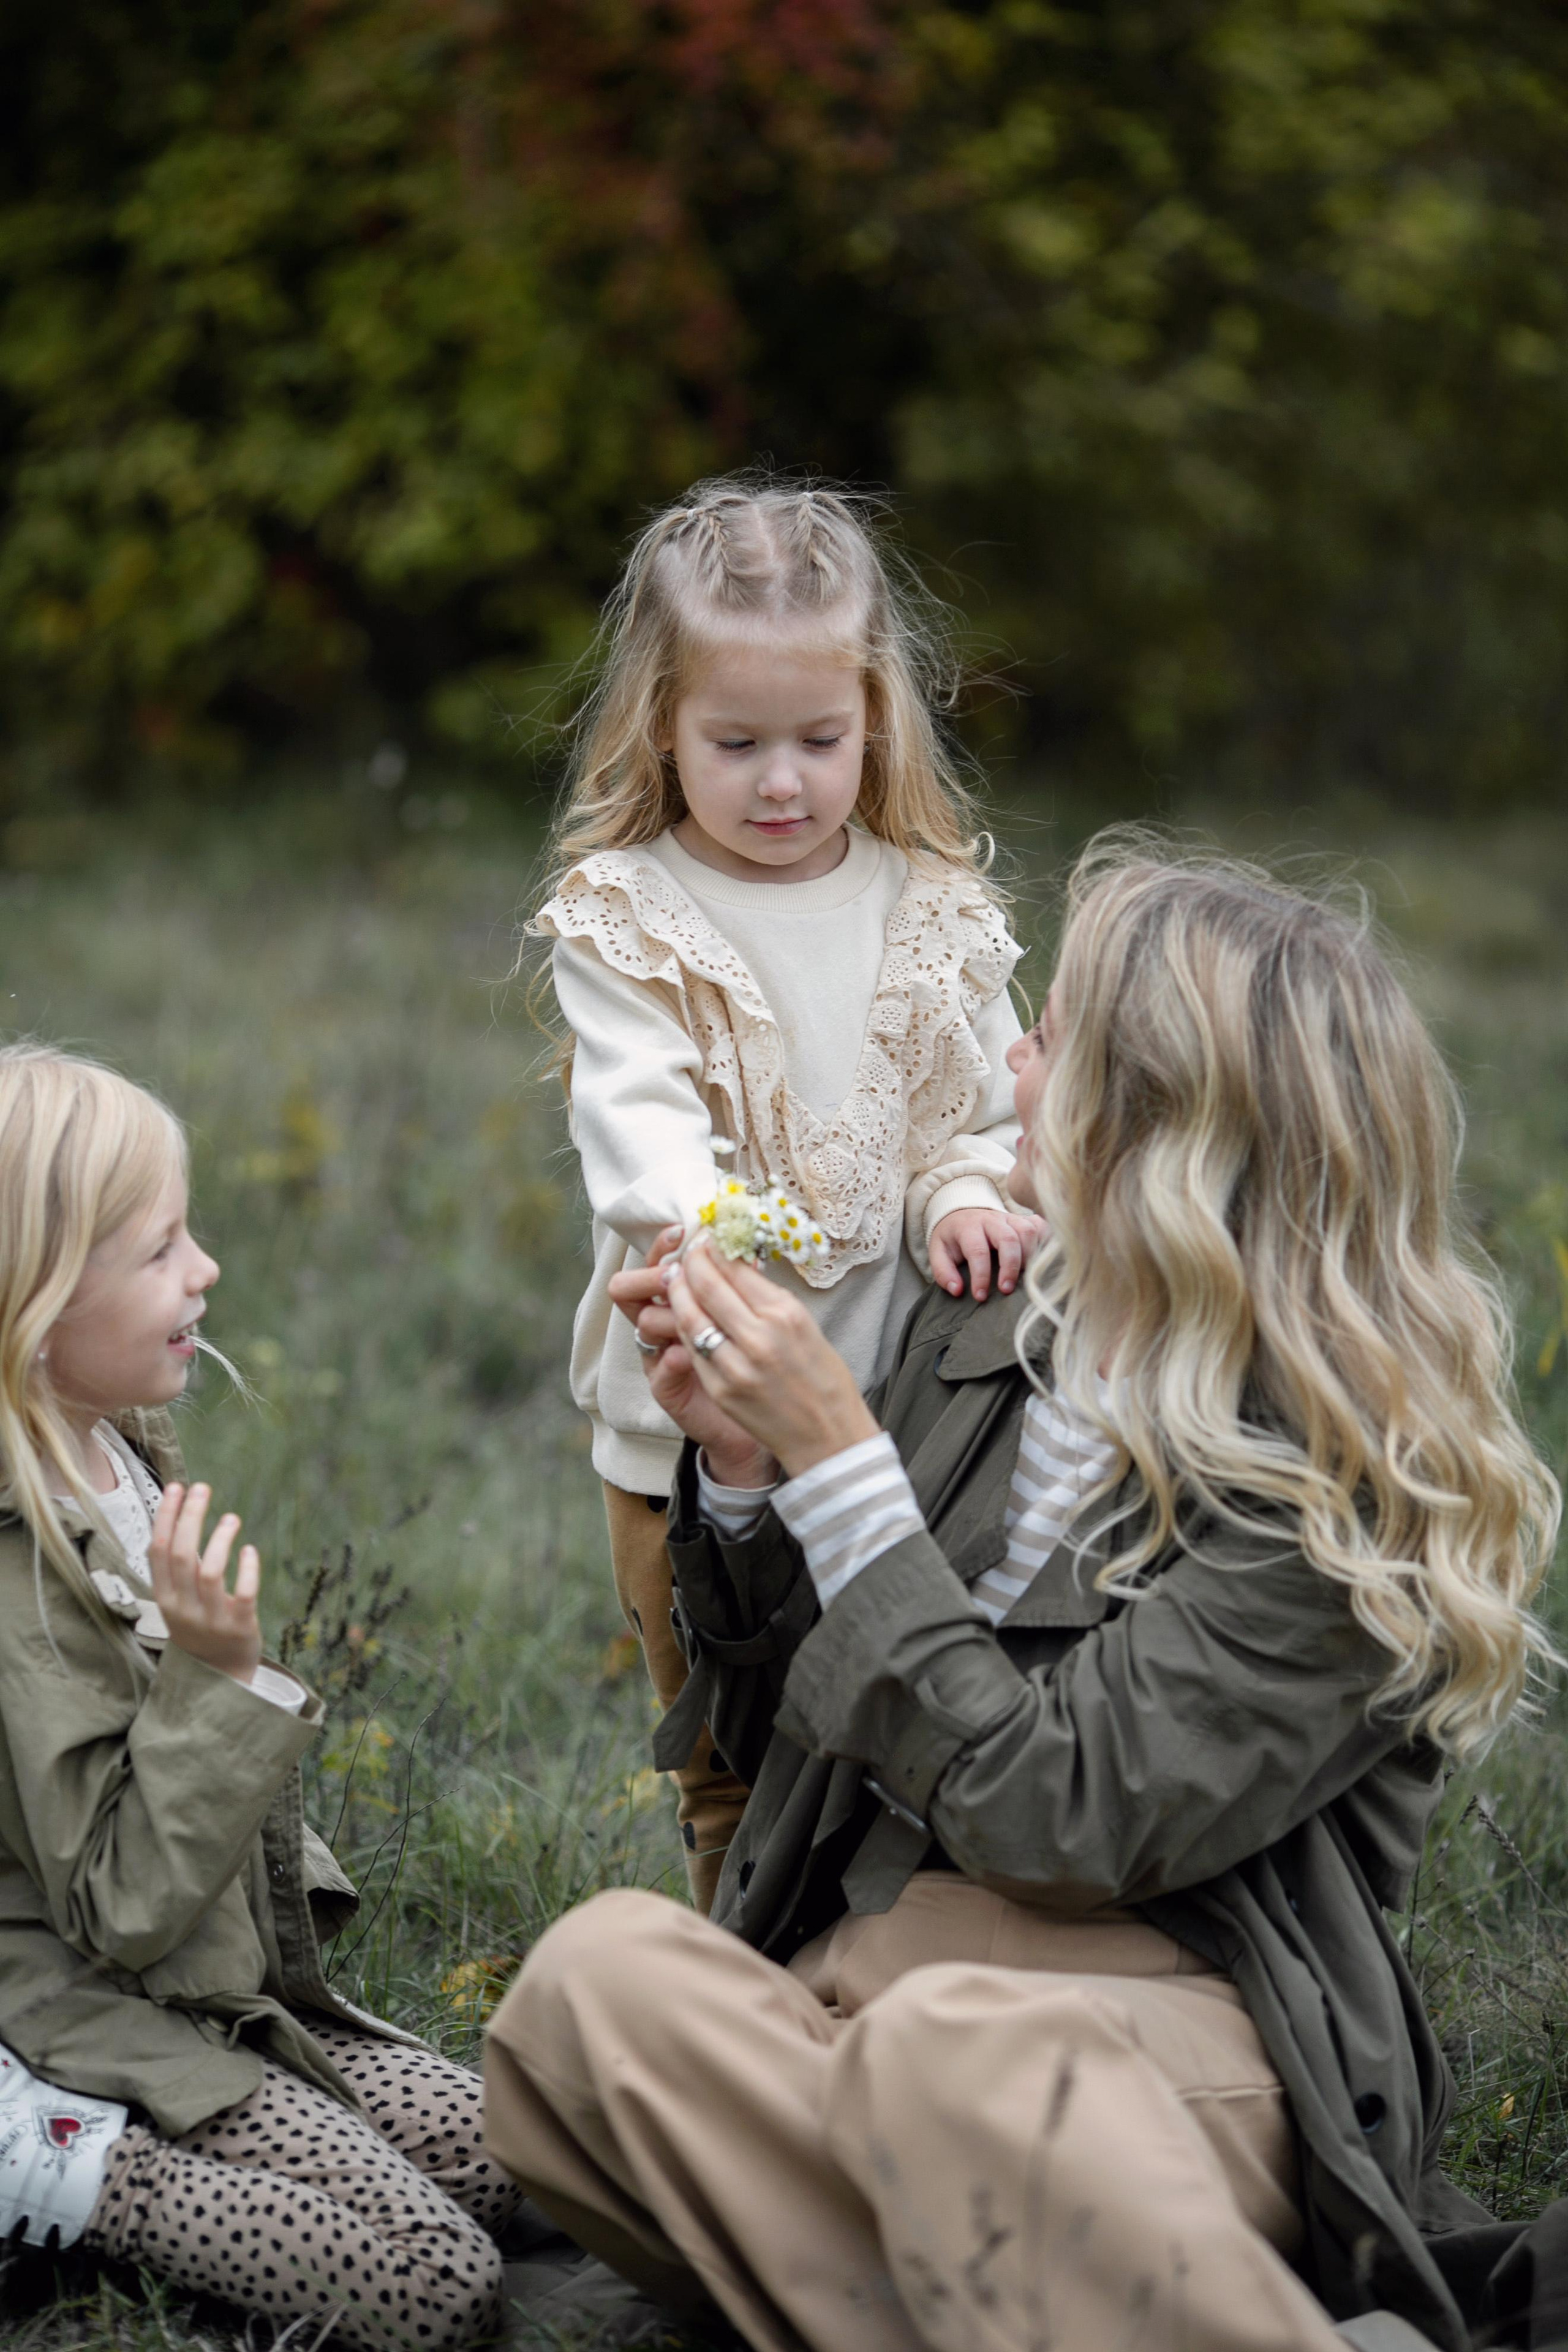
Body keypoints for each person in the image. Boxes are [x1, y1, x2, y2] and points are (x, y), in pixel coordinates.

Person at [485, 842, 1560, 2352]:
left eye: (1051, 1037)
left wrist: (842, 1466)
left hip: (1170, 2028)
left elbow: (1064, 1818)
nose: (1009, 1059)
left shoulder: (1341, 1481)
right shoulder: (990, 1318)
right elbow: (790, 1709)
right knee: (583, 2000)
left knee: (957, 2068)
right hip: (854, 1983)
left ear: (1153, 1122)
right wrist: (741, 1473)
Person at [526, 473, 1038, 1907]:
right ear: (661, 726)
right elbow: (640, 1123)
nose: (779, 782)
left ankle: (864, 1972)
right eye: (734, 741)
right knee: (724, 1754)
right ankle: (726, 1973)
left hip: (893, 1420)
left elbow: (983, 1114)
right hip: (688, 1412)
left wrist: (963, 1201)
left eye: (817, 740)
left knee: (880, 1734)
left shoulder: (929, 904)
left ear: (872, 718)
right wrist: (702, 1236)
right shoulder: (632, 914)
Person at [0, 1042, 534, 2350]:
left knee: (534, 2160)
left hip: (224, 1993)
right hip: (94, 2017)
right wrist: (217, 1679)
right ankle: (54, 2172)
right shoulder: (22, 1575)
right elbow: (118, 1913)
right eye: (162, 1248)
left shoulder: (109, 1451)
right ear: (39, 1303)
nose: (208, 1272)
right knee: (431, 2284)